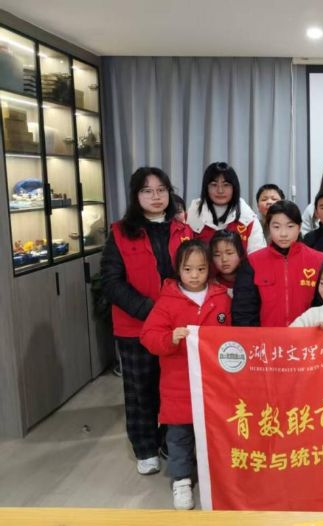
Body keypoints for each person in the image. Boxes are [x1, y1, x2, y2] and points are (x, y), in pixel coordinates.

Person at [101, 167, 193, 476]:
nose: (156, 196)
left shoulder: (183, 231)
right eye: (147, 191)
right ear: (135, 196)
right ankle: (145, 448)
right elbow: (111, 282)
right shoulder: (119, 232)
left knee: (173, 388)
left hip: (177, 329)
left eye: (161, 190)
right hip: (135, 328)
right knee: (141, 391)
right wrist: (151, 312)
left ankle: (169, 441)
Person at [140, 240, 231, 510]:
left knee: (214, 435)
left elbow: (233, 337)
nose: (194, 275)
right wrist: (170, 338)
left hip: (214, 386)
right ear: (177, 269)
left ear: (209, 269)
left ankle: (216, 477)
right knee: (179, 436)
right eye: (188, 269)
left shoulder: (221, 297)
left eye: (201, 269)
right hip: (178, 384)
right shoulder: (167, 301)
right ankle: (181, 480)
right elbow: (149, 336)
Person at [232, 200, 323, 327]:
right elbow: (244, 311)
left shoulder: (317, 260)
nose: (283, 234)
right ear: (268, 227)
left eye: (290, 226)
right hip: (266, 338)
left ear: (299, 227)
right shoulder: (253, 262)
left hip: (307, 336)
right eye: (276, 227)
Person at [186, 162, 265, 253]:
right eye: (214, 185)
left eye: (226, 185)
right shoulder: (192, 214)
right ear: (206, 188)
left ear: (234, 187)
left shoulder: (248, 217)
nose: (220, 191)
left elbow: (258, 255)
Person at [210, 229, 246, 297]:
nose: (224, 259)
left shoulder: (251, 282)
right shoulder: (209, 286)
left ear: (240, 254)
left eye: (229, 253)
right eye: (217, 255)